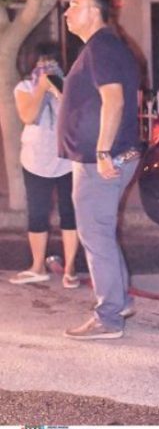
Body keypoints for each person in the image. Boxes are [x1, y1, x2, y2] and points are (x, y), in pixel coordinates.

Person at [58, 0, 142, 340]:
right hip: (109, 158)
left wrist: (103, 152)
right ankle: (119, 302)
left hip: (101, 162)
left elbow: (114, 101)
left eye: (74, 5)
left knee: (95, 236)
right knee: (101, 233)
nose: (66, 12)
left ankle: (108, 317)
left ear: (94, 11)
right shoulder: (106, 46)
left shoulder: (101, 47)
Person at [8, 42, 80, 289]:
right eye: (41, 62)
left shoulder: (68, 84)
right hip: (35, 159)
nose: (47, 67)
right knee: (37, 214)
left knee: (70, 213)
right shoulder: (24, 87)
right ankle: (37, 266)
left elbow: (75, 116)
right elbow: (28, 116)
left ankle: (70, 269)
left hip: (67, 159)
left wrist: (59, 89)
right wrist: (40, 88)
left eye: (52, 62)